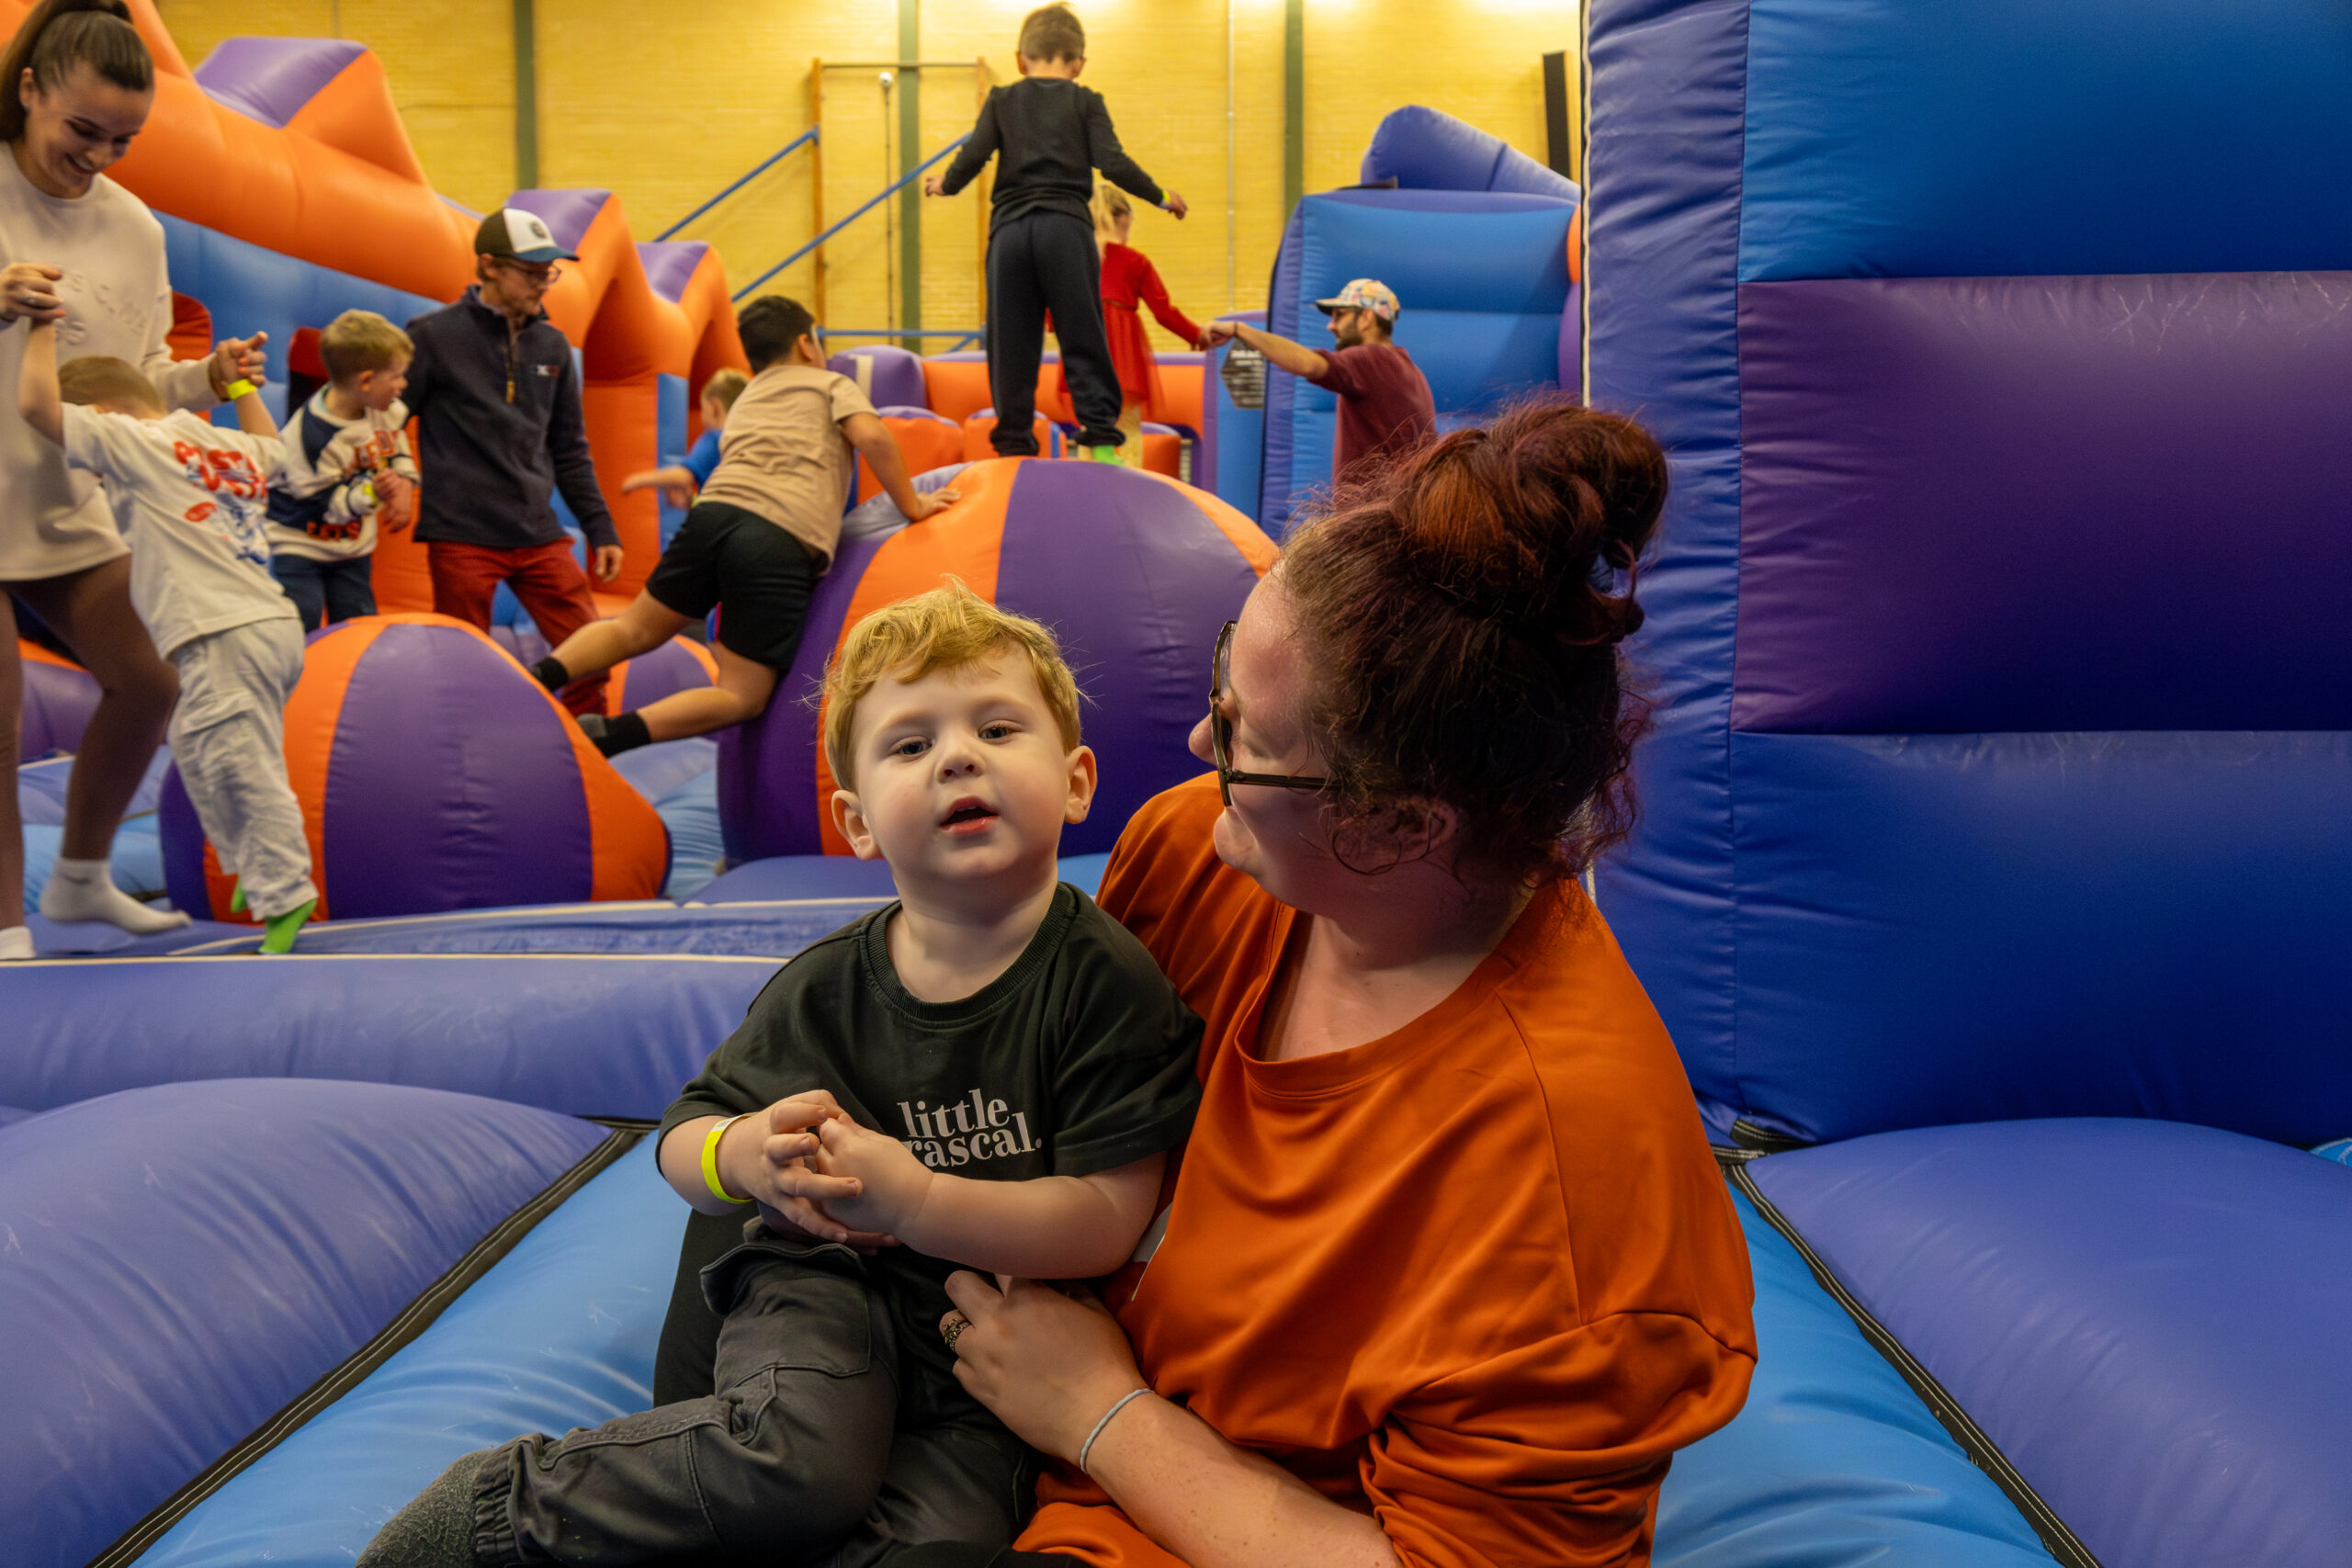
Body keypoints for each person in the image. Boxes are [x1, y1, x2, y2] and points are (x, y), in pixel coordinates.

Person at [927, 404, 1758, 1567]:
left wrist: (1102, 1417)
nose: (1195, 747)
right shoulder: (1195, 856)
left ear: (1399, 822)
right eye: (1224, 675)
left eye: (1242, 733)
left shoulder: (1566, 1192)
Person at [361, 583, 1204, 1568]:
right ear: (855, 822)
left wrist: (922, 1201)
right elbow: (682, 1140)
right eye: (909, 744)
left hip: (983, 1353)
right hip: (821, 1283)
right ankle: (502, 1514)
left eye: (996, 726)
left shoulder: (1103, 980)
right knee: (800, 1462)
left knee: (947, 1545)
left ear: (1075, 782)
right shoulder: (826, 988)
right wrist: (746, 1156)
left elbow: (1108, 1213)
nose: (958, 755)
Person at [0, 0, 269, 955]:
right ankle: (3, 926)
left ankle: (77, 879)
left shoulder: (133, 228)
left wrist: (209, 377)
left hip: (66, 500)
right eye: (83, 130)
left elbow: (138, 377)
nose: (100, 156)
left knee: (153, 679)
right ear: (28, 90)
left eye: (123, 139)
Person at [526, 297, 957, 758]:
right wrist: (911, 504)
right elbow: (871, 436)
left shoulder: (749, 396)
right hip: (778, 534)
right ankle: (611, 734)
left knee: (633, 628)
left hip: (712, 515)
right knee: (740, 695)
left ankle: (536, 677)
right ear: (806, 344)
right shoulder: (828, 382)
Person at [17, 326, 317, 953]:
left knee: (242, 762)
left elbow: (37, 408)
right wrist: (237, 386)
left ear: (101, 415)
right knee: (196, 744)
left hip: (222, 630)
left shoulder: (132, 439)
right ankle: (247, 862)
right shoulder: (213, 439)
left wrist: (39, 332)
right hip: (270, 624)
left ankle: (287, 895)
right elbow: (276, 451)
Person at [925, 3, 1186, 464]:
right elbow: (1113, 161)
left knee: (1011, 340)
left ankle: (1012, 451)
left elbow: (974, 153)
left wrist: (946, 184)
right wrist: (1162, 195)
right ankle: (1102, 441)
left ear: (1020, 59)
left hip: (1009, 232)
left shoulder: (1003, 99)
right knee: (1082, 330)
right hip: (1065, 229)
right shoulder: (1086, 101)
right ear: (1079, 63)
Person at [402, 208, 620, 717]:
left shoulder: (553, 347)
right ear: (490, 266)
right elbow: (385, 417)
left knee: (592, 653)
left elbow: (569, 447)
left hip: (537, 532)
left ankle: (590, 755)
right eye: (532, 271)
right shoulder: (432, 336)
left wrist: (601, 527)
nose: (545, 282)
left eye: (550, 271)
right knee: (462, 665)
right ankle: (467, 761)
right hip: (461, 534)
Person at [265, 310, 418, 631]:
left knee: (359, 624)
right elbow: (326, 507)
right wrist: (373, 493)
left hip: (351, 549)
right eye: (397, 376)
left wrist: (403, 479)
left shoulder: (386, 410)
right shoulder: (311, 438)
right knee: (300, 621)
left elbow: (396, 444)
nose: (403, 385)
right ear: (365, 381)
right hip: (300, 545)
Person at [1204, 276, 1436, 482]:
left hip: (1370, 523)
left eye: (1340, 315)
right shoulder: (1411, 371)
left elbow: (1310, 365)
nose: (1331, 325)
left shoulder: (1370, 359)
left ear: (1366, 318)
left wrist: (1240, 330)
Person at [1090, 184, 1203, 468]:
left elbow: (1053, 316)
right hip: (1123, 358)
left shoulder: (1078, 260)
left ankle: (1088, 497)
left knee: (1090, 433)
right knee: (1125, 436)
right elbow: (1163, 312)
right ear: (1124, 218)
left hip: (1086, 354)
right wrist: (1197, 335)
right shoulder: (1134, 261)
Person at [620, 365, 749, 523]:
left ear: (715, 408)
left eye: (704, 410)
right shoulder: (748, 442)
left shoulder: (716, 438)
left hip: (720, 523)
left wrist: (637, 480)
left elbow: (683, 476)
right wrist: (692, 503)